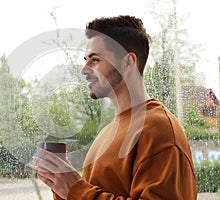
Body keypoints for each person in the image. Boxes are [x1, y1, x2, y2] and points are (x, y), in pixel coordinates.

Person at [33, 15, 197, 200]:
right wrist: (61, 185)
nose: (84, 70)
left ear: (128, 62)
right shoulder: (107, 132)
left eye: (95, 60)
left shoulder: (158, 129)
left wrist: (75, 190)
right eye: (85, 59)